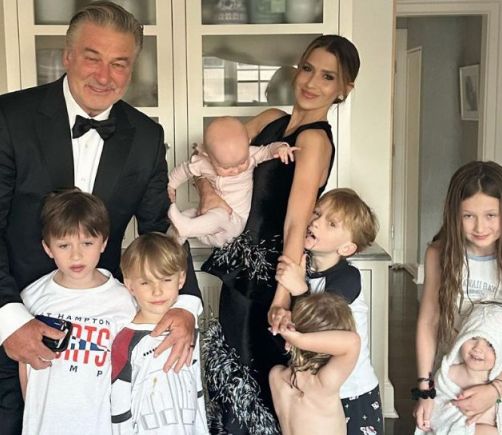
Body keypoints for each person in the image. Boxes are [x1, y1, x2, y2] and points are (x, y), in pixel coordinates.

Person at [0, 3, 201, 433]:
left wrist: (186, 305)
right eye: (92, 58)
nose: (104, 76)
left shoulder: (146, 136)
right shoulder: (9, 118)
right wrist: (10, 320)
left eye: (119, 63)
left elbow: (160, 229)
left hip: (105, 337)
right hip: (13, 318)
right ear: (68, 56)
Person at [201, 34, 360, 433]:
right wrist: (208, 194)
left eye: (328, 77)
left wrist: (282, 297)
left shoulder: (314, 140)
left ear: (344, 89)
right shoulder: (271, 119)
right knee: (228, 375)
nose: (312, 82)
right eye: (307, 68)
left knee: (257, 385)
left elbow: (296, 222)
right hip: (240, 267)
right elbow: (207, 153)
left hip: (270, 278)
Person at [18, 189, 137, 435]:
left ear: (104, 242)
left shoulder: (124, 300)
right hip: (46, 426)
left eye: (87, 243)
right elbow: (24, 361)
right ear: (48, 248)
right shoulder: (31, 297)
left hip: (101, 426)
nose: (76, 255)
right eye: (64, 245)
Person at [274, 188, 384, 434]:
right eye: (316, 213)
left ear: (346, 248)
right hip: (318, 389)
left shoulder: (348, 278)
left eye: (331, 223)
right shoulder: (304, 271)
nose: (316, 222)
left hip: (352, 391)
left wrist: (299, 290)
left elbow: (320, 322)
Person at [414, 161, 502, 432]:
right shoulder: (439, 254)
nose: (480, 227)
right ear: (454, 214)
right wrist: (425, 389)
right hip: (452, 378)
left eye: (491, 215)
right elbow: (429, 321)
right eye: (468, 216)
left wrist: (495, 390)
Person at [111, 232, 209, 434]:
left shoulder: (188, 331)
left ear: (181, 279)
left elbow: (196, 388)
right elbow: (118, 406)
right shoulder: (125, 338)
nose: (157, 291)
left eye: (166, 280)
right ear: (129, 285)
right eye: (145, 282)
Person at [167, 116, 296, 247]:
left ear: (248, 144)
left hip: (232, 226)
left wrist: (281, 148)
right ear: (208, 156)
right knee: (188, 215)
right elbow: (183, 170)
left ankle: (187, 228)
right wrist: (171, 185)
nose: (236, 170)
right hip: (205, 226)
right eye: (226, 167)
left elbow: (267, 150)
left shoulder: (250, 154)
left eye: (242, 162)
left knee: (220, 216)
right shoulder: (203, 162)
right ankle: (172, 241)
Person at [269, 293, 360, 435]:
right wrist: (299, 340)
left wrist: (292, 337)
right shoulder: (322, 385)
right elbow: (353, 342)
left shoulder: (276, 376)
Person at [414, 304, 502, 434]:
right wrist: (425, 397)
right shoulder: (449, 374)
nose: (478, 348)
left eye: (490, 344)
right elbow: (437, 409)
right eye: (473, 337)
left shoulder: (497, 379)